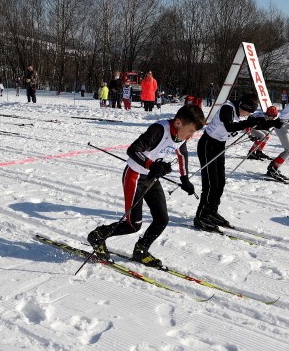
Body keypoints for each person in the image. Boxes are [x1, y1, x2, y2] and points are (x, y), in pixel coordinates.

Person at [87, 104, 206, 267]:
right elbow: (133, 150)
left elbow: (182, 153)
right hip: (134, 176)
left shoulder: (180, 136)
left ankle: (141, 250)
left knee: (162, 219)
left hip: (151, 179)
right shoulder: (160, 130)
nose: (191, 136)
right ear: (178, 122)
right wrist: (152, 165)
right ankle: (98, 235)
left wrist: (185, 178)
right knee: (133, 225)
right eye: (191, 131)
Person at [194, 93, 279, 231]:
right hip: (207, 145)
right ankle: (201, 216)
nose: (247, 115)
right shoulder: (227, 108)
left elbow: (256, 123)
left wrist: (274, 123)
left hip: (219, 146)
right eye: (247, 111)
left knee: (220, 182)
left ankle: (212, 211)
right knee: (211, 183)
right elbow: (230, 126)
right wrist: (251, 122)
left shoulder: (242, 112)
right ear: (242, 105)